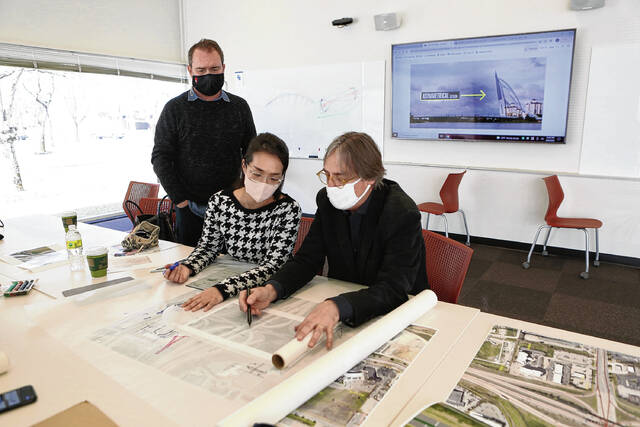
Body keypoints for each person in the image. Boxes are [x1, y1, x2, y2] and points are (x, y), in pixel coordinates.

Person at [240, 132, 427, 350]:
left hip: (395, 311)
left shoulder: (401, 212)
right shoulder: (327, 201)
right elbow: (307, 260)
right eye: (327, 175)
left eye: (340, 177)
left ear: (370, 177)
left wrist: (338, 307)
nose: (331, 185)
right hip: (345, 304)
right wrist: (272, 289)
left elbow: (394, 288)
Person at [164, 133, 302, 312]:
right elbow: (208, 247)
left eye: (274, 178)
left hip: (265, 290)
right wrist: (187, 267)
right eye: (257, 174)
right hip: (228, 274)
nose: (264, 183)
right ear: (244, 166)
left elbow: (273, 267)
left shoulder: (288, 209)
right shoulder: (220, 201)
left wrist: (222, 290)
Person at [152, 38, 256, 246]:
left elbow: (252, 154)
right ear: (190, 70)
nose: (208, 75)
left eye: (214, 69)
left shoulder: (239, 107)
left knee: (233, 262)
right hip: (190, 209)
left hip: (233, 207)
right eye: (201, 70)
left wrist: (249, 195)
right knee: (190, 262)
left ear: (223, 68)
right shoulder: (175, 109)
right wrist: (180, 200)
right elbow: (160, 157)